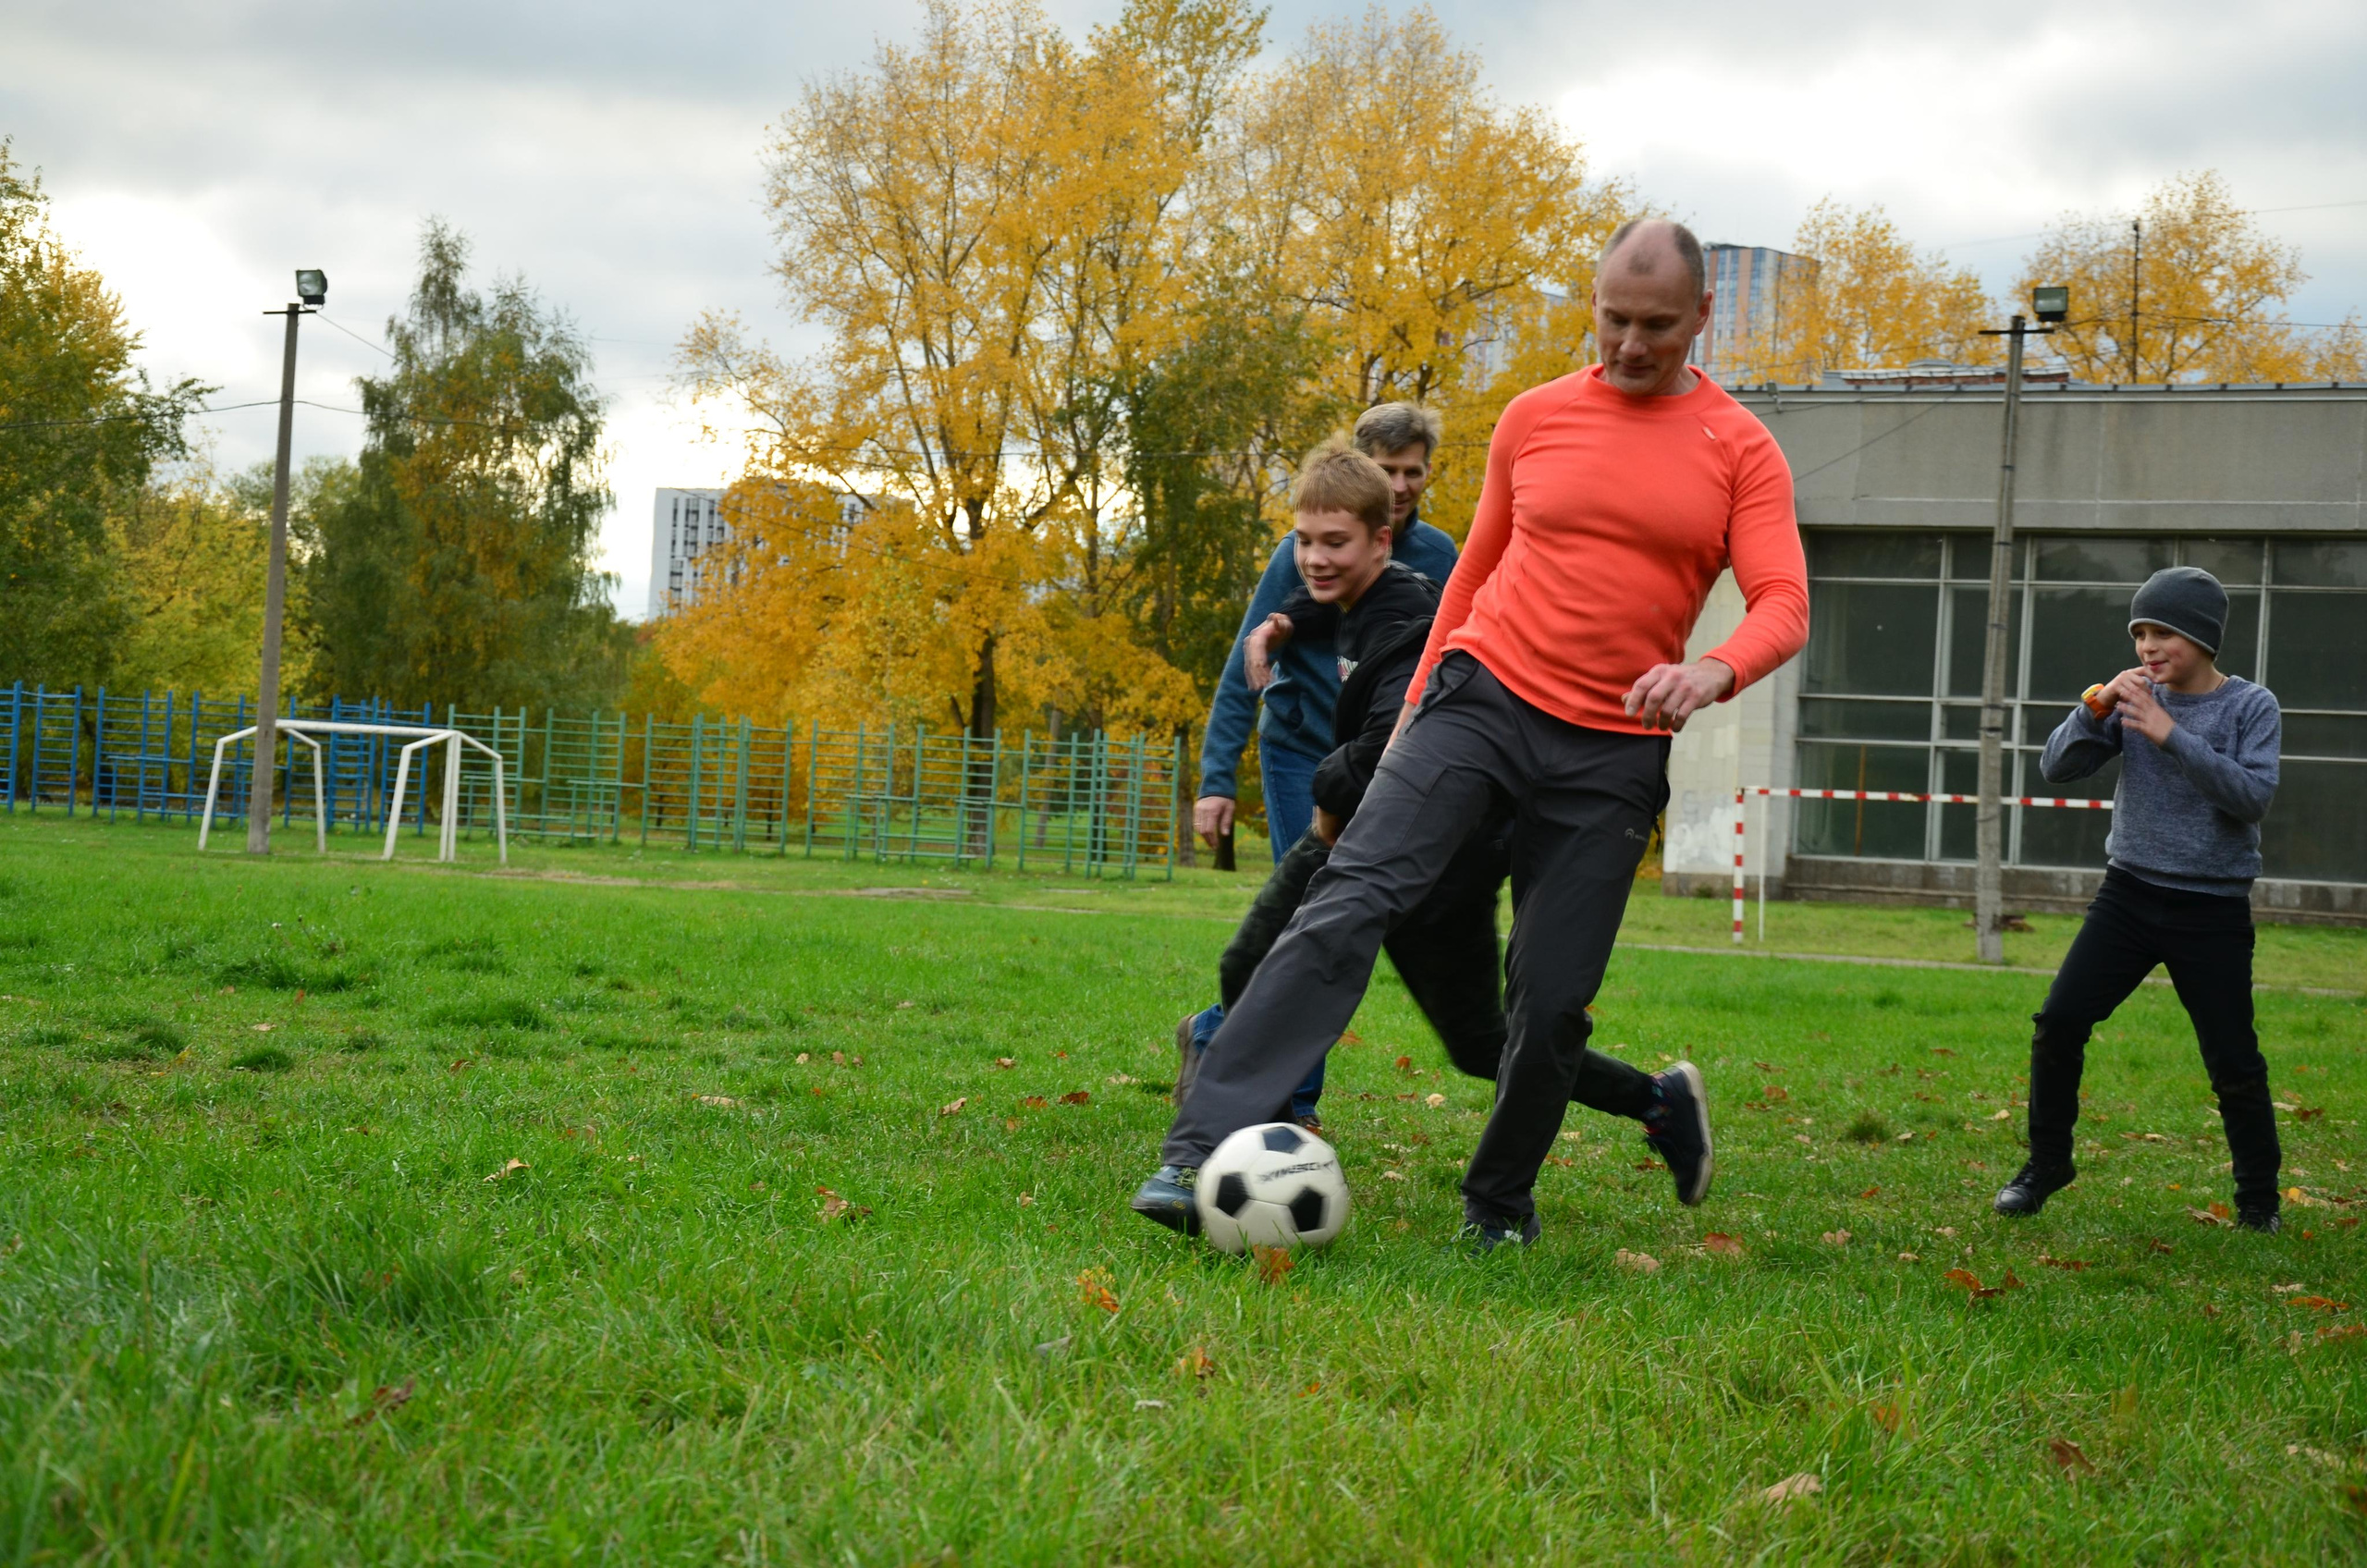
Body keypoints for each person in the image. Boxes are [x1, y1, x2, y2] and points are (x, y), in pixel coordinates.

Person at [1134, 217, 1810, 1248]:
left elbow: (1782, 600)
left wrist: (1712, 669)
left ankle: (1497, 1206)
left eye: (1657, 326)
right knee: (1349, 893)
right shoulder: (1533, 418)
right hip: (1480, 698)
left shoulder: (1740, 448)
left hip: (1611, 743)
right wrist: (1411, 721)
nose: (1630, 345)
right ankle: (1197, 1149)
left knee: (1550, 998)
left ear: (1703, 315)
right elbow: (1473, 577)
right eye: (1613, 319)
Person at [1168, 438, 1701, 1194]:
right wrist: (1281, 625)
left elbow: (1396, 733)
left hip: (1435, 859)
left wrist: (1326, 786)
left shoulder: (1410, 611)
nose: (1314, 560)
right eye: (1304, 542)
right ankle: (1244, 1138)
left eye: (1334, 544)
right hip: (1377, 845)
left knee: (1479, 1042)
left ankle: (1655, 1098)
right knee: (1250, 967)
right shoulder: (1351, 601)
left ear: (1380, 540)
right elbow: (1329, 618)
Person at [1179, 403, 1459, 1125]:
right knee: (1315, 919)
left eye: (1412, 471)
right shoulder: (1298, 553)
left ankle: (1214, 1033)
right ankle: (1291, 1105)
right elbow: (1246, 662)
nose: (1400, 483)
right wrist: (1216, 780)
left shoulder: (1440, 559)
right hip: (1302, 751)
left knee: (1346, 929)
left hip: (1387, 763)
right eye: (1386, 469)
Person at [1993, 567, 2285, 1230]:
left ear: (2203, 638)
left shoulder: (2250, 707)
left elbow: (2252, 798)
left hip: (2210, 909)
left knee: (2233, 1059)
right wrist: (2092, 711)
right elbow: (2056, 767)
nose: (2148, 648)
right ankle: (2046, 1166)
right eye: (2140, 635)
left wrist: (2168, 733)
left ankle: (2258, 1202)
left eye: (2164, 634)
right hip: (2128, 894)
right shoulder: (2128, 699)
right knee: (2059, 1022)